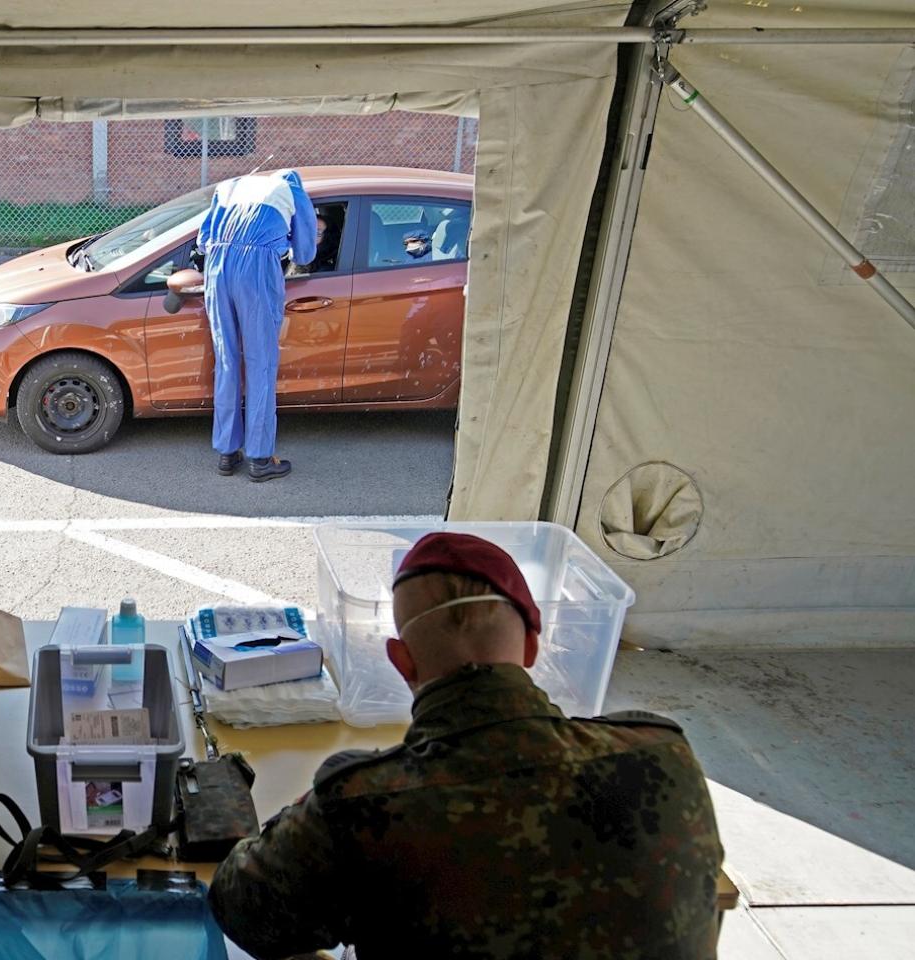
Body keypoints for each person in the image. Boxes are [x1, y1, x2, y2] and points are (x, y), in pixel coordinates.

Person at [209, 533, 724, 959]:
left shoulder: (366, 806)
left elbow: (240, 908)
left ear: (401, 661)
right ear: (530, 645)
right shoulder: (663, 757)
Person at [197, 168, 316, 483]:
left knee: (226, 361)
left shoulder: (229, 185)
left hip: (217, 268)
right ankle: (260, 459)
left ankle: (227, 452)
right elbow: (306, 251)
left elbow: (203, 239)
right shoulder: (291, 188)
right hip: (256, 270)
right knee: (260, 364)